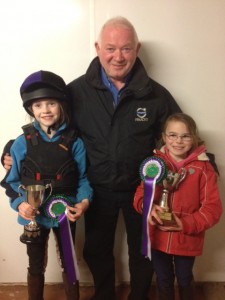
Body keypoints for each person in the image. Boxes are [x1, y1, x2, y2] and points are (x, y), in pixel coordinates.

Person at [2, 16, 181, 300]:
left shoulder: (156, 95)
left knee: (143, 250)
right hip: (95, 188)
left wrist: (201, 162)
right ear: (98, 48)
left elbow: (179, 134)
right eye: (111, 48)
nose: (118, 57)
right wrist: (11, 147)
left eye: (125, 48)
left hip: (140, 189)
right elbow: (49, 125)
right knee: (96, 249)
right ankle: (105, 295)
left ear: (137, 49)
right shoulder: (74, 92)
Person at [1, 70, 93, 300]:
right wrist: (21, 204)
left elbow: (83, 178)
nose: (45, 110)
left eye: (51, 103)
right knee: (35, 263)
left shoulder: (75, 142)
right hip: (34, 215)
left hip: (66, 211)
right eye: (38, 105)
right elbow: (11, 182)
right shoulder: (21, 143)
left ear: (61, 105)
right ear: (31, 110)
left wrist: (83, 202)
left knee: (69, 262)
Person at [134, 112, 222, 300]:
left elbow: (212, 209)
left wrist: (185, 224)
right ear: (164, 137)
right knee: (163, 279)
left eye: (185, 136)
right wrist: (148, 208)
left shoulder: (204, 169)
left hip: (187, 238)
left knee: (184, 278)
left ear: (194, 138)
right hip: (157, 235)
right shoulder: (154, 165)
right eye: (172, 135)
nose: (178, 141)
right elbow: (140, 196)